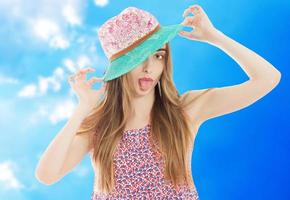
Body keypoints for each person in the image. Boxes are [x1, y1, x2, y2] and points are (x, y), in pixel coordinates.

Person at [35, 4, 281, 200]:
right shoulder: (102, 127)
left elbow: (268, 78)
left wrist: (215, 37)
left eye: (157, 55)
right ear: (121, 69)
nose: (149, 68)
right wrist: (83, 108)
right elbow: (46, 175)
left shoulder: (185, 111)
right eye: (138, 58)